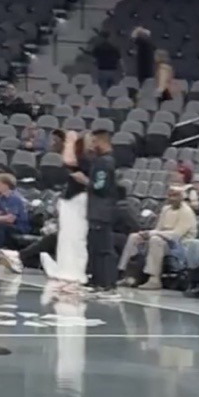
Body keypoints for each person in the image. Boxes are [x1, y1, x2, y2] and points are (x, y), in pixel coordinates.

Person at [119, 184, 196, 290]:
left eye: (175, 196)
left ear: (182, 197)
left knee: (155, 240)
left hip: (179, 245)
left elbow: (176, 235)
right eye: (170, 195)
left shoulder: (186, 212)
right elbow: (158, 229)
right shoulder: (166, 209)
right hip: (162, 239)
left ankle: (154, 279)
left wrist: (153, 234)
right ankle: (126, 273)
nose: (172, 198)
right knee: (135, 237)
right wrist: (147, 233)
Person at [37, 131, 89, 288]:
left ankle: (74, 273)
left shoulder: (85, 159)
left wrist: (70, 140)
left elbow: (69, 160)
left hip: (80, 202)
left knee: (74, 239)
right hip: (70, 201)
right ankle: (65, 270)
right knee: (65, 238)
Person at [87, 128, 119, 299]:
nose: (92, 145)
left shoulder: (104, 162)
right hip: (98, 210)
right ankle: (97, 282)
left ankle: (107, 284)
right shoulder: (101, 161)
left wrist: (85, 181)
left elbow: (100, 186)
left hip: (101, 211)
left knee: (104, 249)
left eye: (94, 142)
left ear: (101, 142)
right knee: (95, 248)